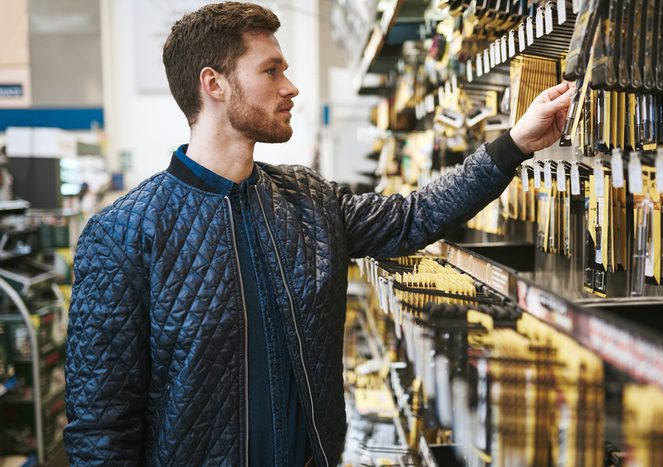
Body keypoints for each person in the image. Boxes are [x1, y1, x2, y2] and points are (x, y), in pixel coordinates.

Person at [63, 2, 574, 466]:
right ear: (213, 85)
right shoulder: (123, 235)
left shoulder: (308, 201)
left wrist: (514, 144)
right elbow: (100, 426)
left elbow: (414, 216)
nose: (291, 86)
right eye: (271, 71)